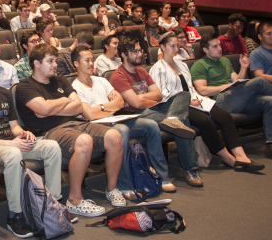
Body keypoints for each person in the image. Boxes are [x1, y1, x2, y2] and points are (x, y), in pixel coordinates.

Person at [0, 52, 62, 237]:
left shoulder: (5, 93)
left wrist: (23, 133)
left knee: (52, 147)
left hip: (12, 143)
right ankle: (15, 214)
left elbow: (14, 127)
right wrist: (11, 145)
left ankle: (53, 205)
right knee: (13, 154)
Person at [16, 43, 126, 210]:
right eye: (50, 61)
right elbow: (43, 110)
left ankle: (112, 189)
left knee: (115, 137)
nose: (55, 65)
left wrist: (50, 108)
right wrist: (64, 101)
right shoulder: (25, 86)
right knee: (84, 141)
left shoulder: (60, 80)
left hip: (76, 123)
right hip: (50, 132)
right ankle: (74, 200)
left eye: (56, 61)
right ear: (36, 63)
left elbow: (78, 107)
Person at [71, 46, 176, 198]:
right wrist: (107, 107)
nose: (91, 63)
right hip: (96, 127)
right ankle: (124, 185)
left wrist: (100, 107)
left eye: (92, 60)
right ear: (76, 64)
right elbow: (89, 115)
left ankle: (163, 177)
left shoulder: (101, 81)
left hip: (114, 119)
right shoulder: (75, 87)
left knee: (151, 125)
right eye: (87, 60)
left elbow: (120, 102)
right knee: (123, 131)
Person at [151, 32, 264, 172]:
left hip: (194, 100)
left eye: (177, 46)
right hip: (175, 106)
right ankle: (228, 158)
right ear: (162, 47)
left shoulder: (181, 65)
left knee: (224, 117)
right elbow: (161, 95)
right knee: (206, 122)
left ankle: (241, 156)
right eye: (172, 46)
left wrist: (197, 99)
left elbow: (190, 87)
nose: (176, 49)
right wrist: (188, 101)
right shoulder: (158, 68)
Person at [110, 37, 203, 186]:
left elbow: (158, 95)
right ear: (124, 55)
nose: (139, 54)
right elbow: (136, 103)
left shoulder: (141, 71)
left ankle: (173, 120)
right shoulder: (118, 76)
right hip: (135, 116)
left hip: (152, 110)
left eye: (140, 50)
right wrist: (146, 99)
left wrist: (142, 97)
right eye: (134, 51)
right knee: (181, 120)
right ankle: (190, 169)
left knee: (183, 94)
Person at [191, 34, 272, 159]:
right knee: (259, 81)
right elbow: (202, 89)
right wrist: (227, 86)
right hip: (219, 102)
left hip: (236, 99)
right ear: (205, 50)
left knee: (269, 101)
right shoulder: (199, 65)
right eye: (215, 46)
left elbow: (237, 81)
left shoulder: (225, 60)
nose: (219, 48)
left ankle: (270, 144)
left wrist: (244, 68)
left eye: (220, 45)